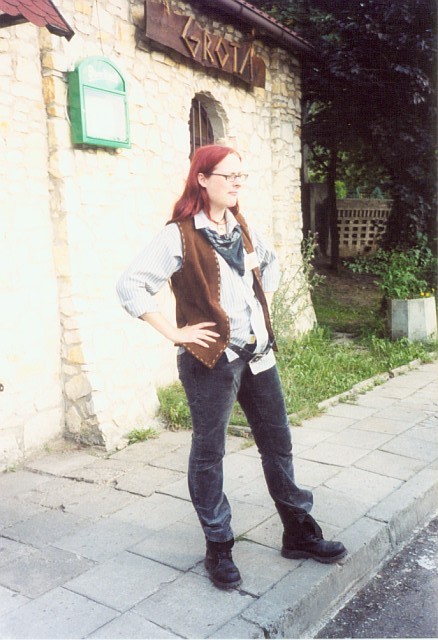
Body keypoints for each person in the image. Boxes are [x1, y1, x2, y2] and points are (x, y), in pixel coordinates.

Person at [116, 144, 347, 590]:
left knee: (278, 444)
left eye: (242, 175)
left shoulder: (242, 227)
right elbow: (131, 284)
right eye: (229, 175)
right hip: (211, 362)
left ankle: (299, 533)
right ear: (202, 179)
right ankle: (218, 546)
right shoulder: (179, 235)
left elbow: (271, 265)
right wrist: (175, 332)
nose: (238, 182)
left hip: (259, 356)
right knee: (209, 454)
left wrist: (262, 308)